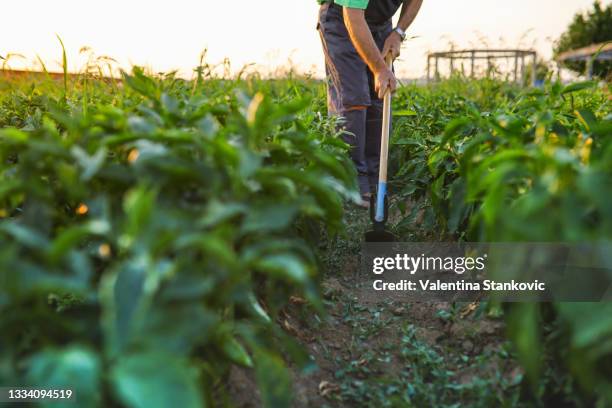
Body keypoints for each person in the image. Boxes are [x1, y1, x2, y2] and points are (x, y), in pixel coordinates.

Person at [317, 0, 423, 207]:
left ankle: (375, 181)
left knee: (380, 97)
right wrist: (379, 69)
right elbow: (353, 17)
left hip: (381, 23)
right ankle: (352, 183)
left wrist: (398, 32)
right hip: (342, 18)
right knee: (353, 98)